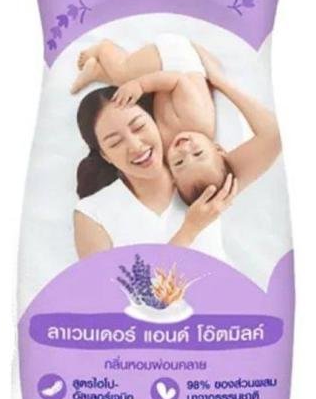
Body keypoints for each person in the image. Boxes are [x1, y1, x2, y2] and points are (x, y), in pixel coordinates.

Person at [71, 34, 281, 204]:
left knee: (126, 86)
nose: (184, 149)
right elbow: (177, 80)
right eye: (198, 153)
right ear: (218, 148)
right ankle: (103, 47)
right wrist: (140, 85)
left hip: (163, 79)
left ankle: (97, 71)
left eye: (179, 162)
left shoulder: (165, 148)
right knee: (123, 74)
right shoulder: (196, 119)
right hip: (176, 59)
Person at [72, 86, 237, 260]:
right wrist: (189, 230)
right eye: (115, 142)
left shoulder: (201, 172)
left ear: (154, 120)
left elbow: (261, 140)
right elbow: (105, 280)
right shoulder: (92, 213)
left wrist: (218, 80)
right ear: (105, 156)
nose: (136, 146)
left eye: (139, 127)